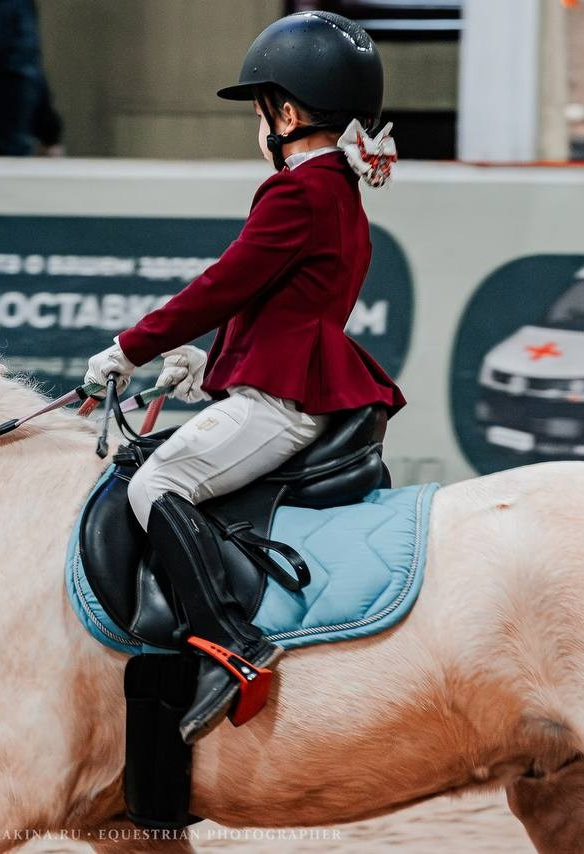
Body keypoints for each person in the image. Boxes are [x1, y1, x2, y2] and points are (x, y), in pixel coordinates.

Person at [83, 11, 406, 744]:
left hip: (281, 401)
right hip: (284, 382)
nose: (258, 128)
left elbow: (223, 285)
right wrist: (209, 365)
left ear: (286, 115)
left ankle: (231, 642)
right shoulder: (337, 191)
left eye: (261, 113)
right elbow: (282, 304)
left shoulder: (297, 192)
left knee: (156, 485)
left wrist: (131, 348)